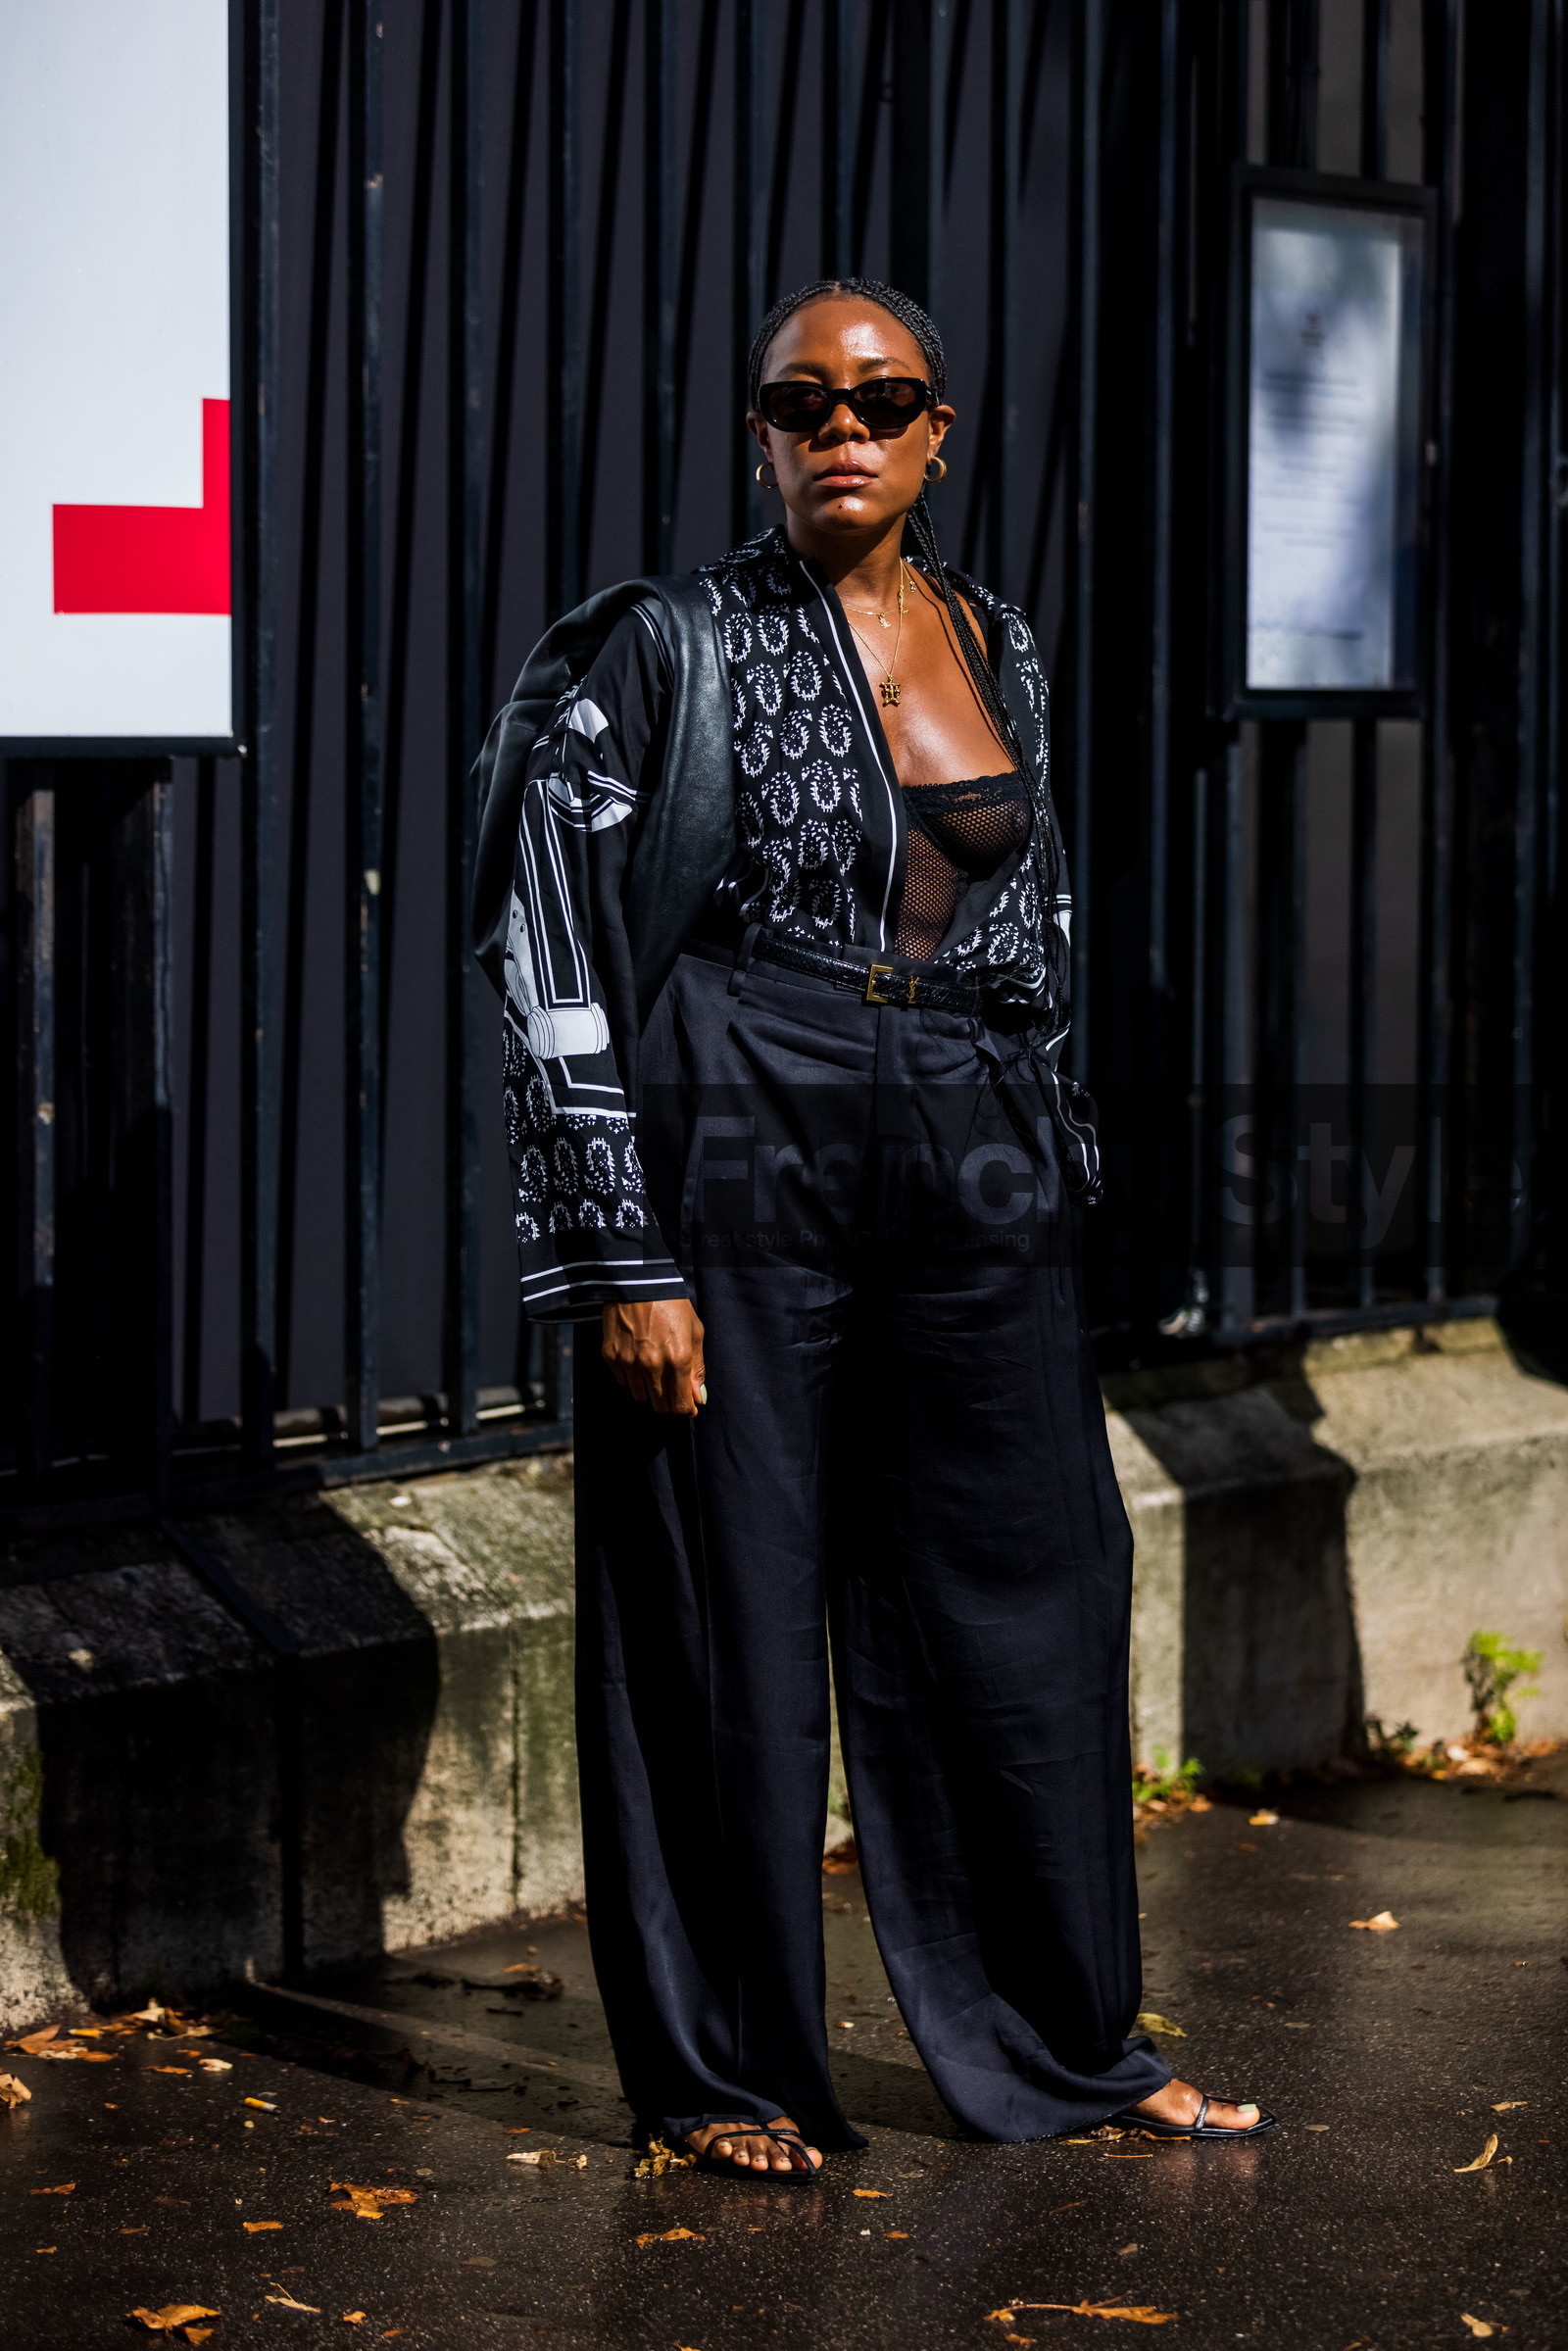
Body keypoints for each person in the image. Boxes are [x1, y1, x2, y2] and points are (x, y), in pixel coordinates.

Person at [472, 277, 1272, 2176]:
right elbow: (543, 942)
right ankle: (727, 2070)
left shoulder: (995, 635)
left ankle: (1064, 2043)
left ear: (935, 433)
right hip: (741, 1109)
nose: (840, 428)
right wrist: (618, 1249)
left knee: (1032, 1592)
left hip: (969, 1149)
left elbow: (1033, 923)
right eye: (801, 402)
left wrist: (1040, 1147)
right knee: (722, 1601)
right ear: (757, 434)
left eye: (880, 397)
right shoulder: (660, 648)